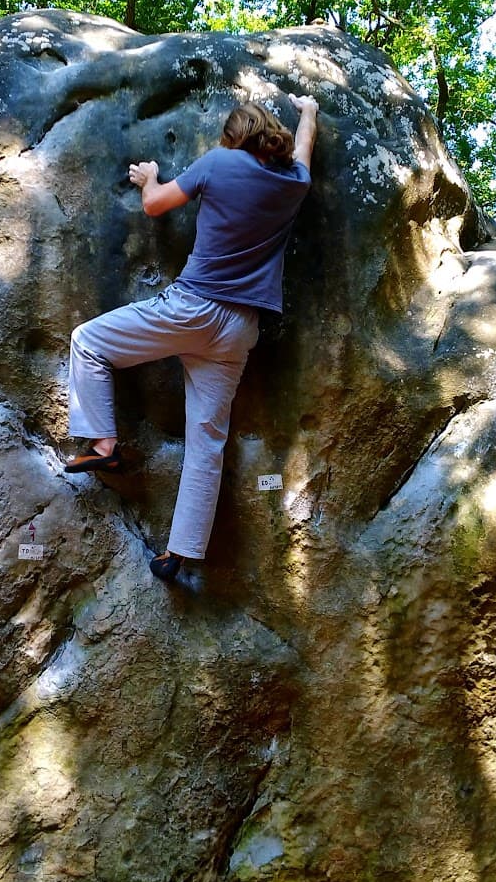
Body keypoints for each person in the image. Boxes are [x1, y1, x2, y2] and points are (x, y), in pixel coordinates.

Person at [64, 94, 320, 582]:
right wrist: (308, 110)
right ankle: (178, 554)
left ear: (233, 136)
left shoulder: (219, 162)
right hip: (240, 329)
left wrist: (149, 177)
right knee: (207, 442)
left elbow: (155, 205)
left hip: (192, 308)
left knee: (89, 342)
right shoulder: (293, 182)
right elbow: (305, 151)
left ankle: (105, 445)